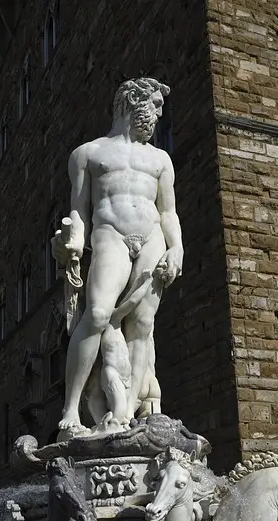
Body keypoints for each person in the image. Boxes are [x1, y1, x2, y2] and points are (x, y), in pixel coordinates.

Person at [52, 77, 183, 433]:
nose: (158, 114)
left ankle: (126, 414)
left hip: (153, 238)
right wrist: (72, 241)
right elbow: (79, 209)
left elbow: (168, 211)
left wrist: (177, 248)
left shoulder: (160, 159)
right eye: (154, 105)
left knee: (142, 325)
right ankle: (70, 412)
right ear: (131, 102)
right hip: (110, 234)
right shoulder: (88, 153)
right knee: (95, 315)